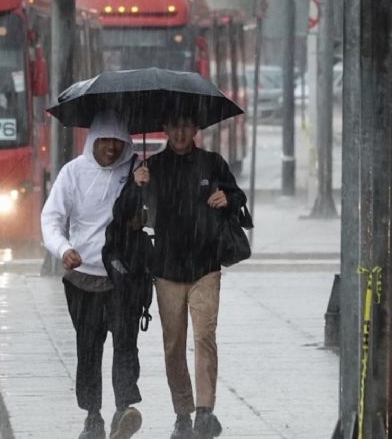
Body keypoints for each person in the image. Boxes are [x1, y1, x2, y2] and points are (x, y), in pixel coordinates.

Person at [122, 116, 246, 439]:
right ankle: (182, 413)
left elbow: (238, 198)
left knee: (204, 336)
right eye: (174, 126)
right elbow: (131, 214)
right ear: (165, 129)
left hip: (206, 266)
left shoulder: (213, 163)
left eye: (186, 126)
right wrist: (137, 185)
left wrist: (228, 198)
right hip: (166, 270)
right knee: (173, 345)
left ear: (195, 130)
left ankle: (205, 412)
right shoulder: (152, 167)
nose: (179, 133)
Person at [41, 111, 144, 439]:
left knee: (125, 344)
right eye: (105, 141)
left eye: (118, 141)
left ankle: (124, 407)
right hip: (83, 278)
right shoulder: (72, 173)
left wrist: (143, 194)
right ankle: (93, 415)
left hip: (123, 278)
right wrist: (63, 249)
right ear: (92, 141)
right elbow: (51, 218)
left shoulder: (137, 172)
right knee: (88, 348)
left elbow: (151, 215)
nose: (112, 148)